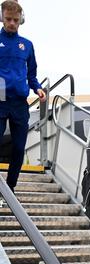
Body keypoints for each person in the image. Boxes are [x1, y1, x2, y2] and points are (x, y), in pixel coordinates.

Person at [0, 0, 46, 193]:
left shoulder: (27, 45)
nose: (12, 23)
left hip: (20, 102)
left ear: (21, 21)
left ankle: (10, 188)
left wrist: (38, 88)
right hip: (0, 99)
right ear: (2, 17)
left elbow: (32, 74)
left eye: (15, 20)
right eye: (8, 19)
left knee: (19, 147)